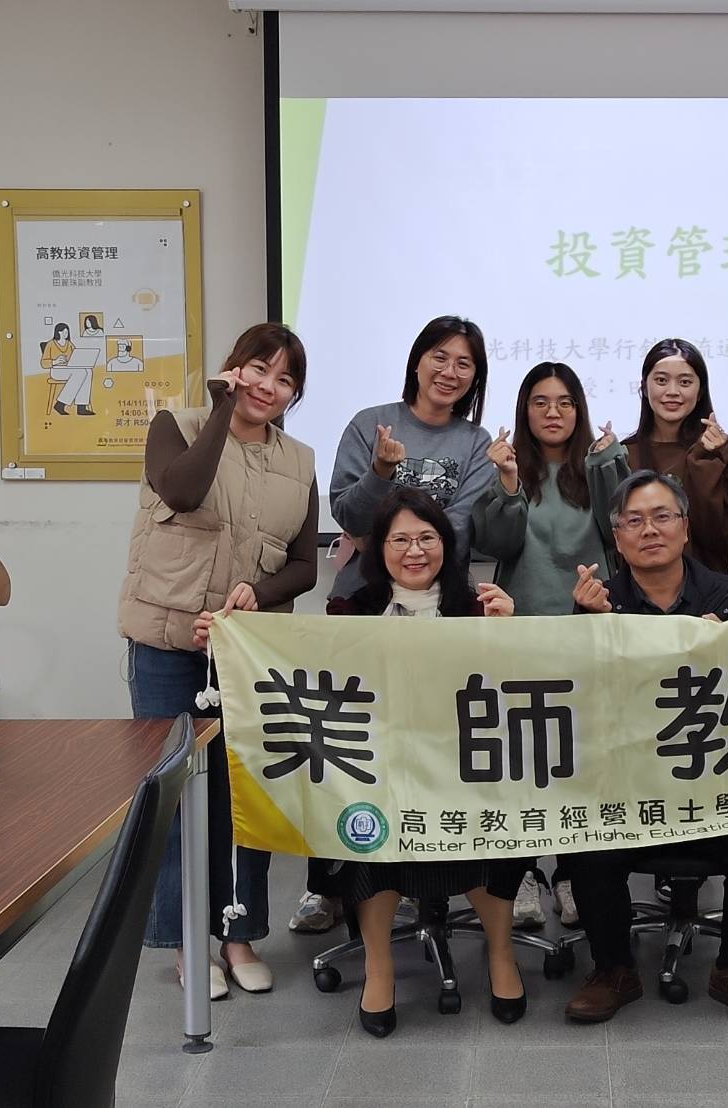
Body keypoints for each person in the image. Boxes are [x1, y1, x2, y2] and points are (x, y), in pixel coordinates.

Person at [118, 322, 317, 1001]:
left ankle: (238, 935)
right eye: (259, 369)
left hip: (245, 653)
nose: (269, 386)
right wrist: (222, 409)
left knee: (243, 797)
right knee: (176, 798)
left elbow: (304, 565)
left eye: (285, 379)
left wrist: (257, 591)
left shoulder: (300, 461)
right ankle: (187, 943)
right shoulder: (175, 426)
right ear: (234, 368)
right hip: (168, 649)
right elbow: (182, 491)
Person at [291, 316, 497, 936]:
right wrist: (381, 474)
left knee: (425, 747)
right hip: (361, 605)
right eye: (440, 357)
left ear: (475, 377)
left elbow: (460, 528)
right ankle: (328, 884)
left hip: (439, 612)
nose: (449, 372)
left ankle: (412, 873)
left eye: (464, 363)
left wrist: (388, 534)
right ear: (416, 361)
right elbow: (346, 511)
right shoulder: (370, 423)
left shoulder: (476, 442)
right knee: (348, 745)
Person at [563, 470, 728, 1026]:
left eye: (662, 516)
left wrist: (722, 648)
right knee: (587, 842)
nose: (650, 530)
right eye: (634, 521)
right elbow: (582, 706)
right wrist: (594, 627)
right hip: (628, 784)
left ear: (685, 528)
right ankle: (613, 969)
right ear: (617, 539)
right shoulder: (600, 601)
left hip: (717, 781)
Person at [309, 487, 528, 1038]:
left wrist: (511, 633)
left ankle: (501, 953)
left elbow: (519, 690)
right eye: (400, 539)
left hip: (466, 769)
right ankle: (378, 965)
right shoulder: (349, 611)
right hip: (380, 770)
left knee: (496, 820)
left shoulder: (478, 606)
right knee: (365, 821)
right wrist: (229, 639)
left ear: (446, 544)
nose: (414, 551)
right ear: (378, 548)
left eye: (427, 538)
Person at [471, 361, 628, 930]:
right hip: (522, 631)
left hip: (588, 627)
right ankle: (523, 872)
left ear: (579, 409)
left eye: (564, 402)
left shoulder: (600, 462)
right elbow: (496, 541)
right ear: (525, 410)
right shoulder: (507, 466)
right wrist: (509, 482)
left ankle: (571, 872)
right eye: (540, 402)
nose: (553, 412)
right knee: (523, 757)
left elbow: (619, 530)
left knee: (582, 757)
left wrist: (609, 463)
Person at [621, 339, 728, 575]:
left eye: (685, 382)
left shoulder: (722, 450)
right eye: (661, 380)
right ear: (644, 389)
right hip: (640, 591)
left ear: (700, 392)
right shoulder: (625, 454)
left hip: (712, 587)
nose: (672, 392)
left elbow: (720, 533)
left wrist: (704, 460)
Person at [41, 322, 93, 416]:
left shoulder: (69, 344)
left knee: (88, 371)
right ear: (58, 332)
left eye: (67, 332)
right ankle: (60, 404)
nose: (66, 334)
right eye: (64, 332)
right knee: (81, 373)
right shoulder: (51, 344)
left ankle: (81, 407)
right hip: (56, 370)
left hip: (70, 368)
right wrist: (55, 361)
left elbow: (76, 356)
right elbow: (43, 363)